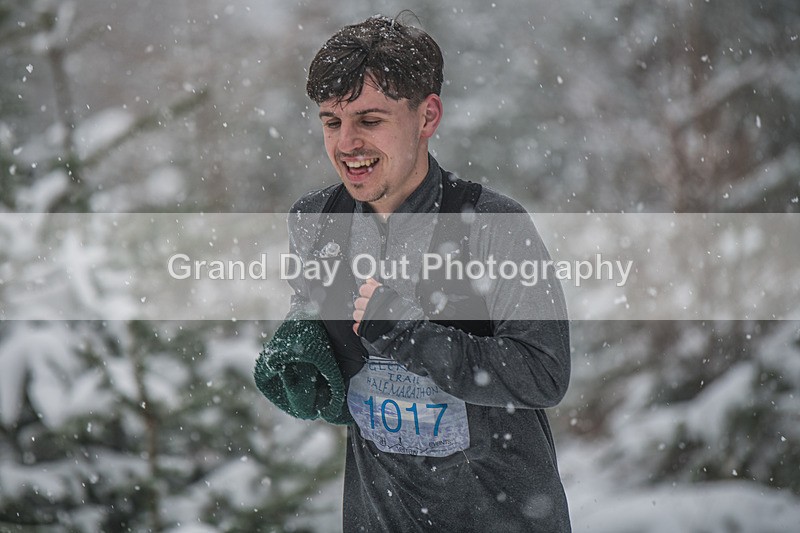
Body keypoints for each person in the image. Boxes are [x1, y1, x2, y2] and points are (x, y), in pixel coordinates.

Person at [285, 14, 571, 532]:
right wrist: (300, 353)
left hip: (501, 516)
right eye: (332, 121)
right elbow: (335, 352)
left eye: (369, 120)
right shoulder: (315, 224)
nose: (346, 143)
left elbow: (544, 374)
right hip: (379, 517)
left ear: (427, 116)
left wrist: (411, 336)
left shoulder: (491, 225)